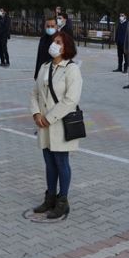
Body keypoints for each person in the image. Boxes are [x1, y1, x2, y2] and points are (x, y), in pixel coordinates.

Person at [30, 30, 82, 220]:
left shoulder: (72, 69)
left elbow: (71, 100)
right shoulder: (45, 67)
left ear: (66, 46)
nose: (54, 45)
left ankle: (63, 201)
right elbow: (35, 93)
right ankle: (50, 197)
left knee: (61, 162)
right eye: (53, 41)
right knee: (49, 163)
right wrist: (36, 113)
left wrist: (49, 118)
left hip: (59, 124)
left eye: (58, 42)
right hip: (43, 124)